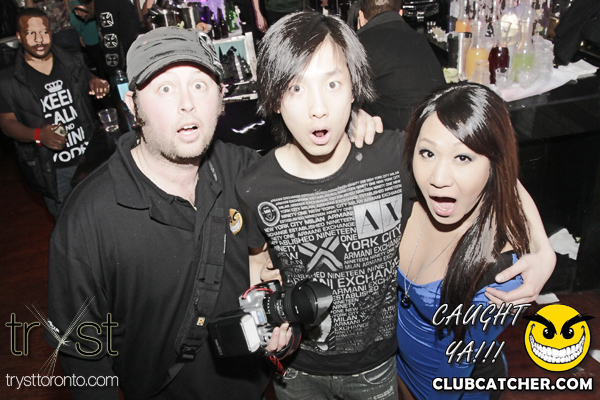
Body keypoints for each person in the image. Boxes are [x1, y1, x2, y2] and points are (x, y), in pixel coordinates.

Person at [236, 11, 555, 400]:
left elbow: (489, 174)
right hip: (298, 369)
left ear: (354, 88)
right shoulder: (254, 185)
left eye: (333, 84)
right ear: (273, 98)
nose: (318, 108)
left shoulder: (393, 156)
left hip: (377, 367)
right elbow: (258, 262)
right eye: (296, 88)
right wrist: (268, 321)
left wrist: (541, 247)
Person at [44, 26, 296, 400]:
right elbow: (82, 356)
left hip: (252, 389)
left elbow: (299, 235)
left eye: (199, 85)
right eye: (165, 88)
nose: (186, 104)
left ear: (221, 97)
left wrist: (354, 135)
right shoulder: (87, 219)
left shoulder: (244, 171)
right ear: (132, 105)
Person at [396, 83, 533, 399]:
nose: (439, 178)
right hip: (399, 369)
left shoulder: (501, 270)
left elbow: (455, 373)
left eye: (463, 157)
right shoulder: (407, 204)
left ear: (494, 165)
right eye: (428, 153)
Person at [0, 8, 109, 219]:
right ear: (19, 37)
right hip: (54, 168)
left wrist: (95, 82)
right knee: (69, 223)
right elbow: (6, 123)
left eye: (44, 32)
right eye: (31, 33)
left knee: (104, 216)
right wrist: (39, 135)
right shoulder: (8, 81)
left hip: (89, 158)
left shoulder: (72, 60)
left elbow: (87, 77)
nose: (39, 39)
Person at [357, 0, 446, 131]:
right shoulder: (420, 40)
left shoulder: (359, 45)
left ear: (360, 16)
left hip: (402, 138)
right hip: (440, 129)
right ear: (400, 13)